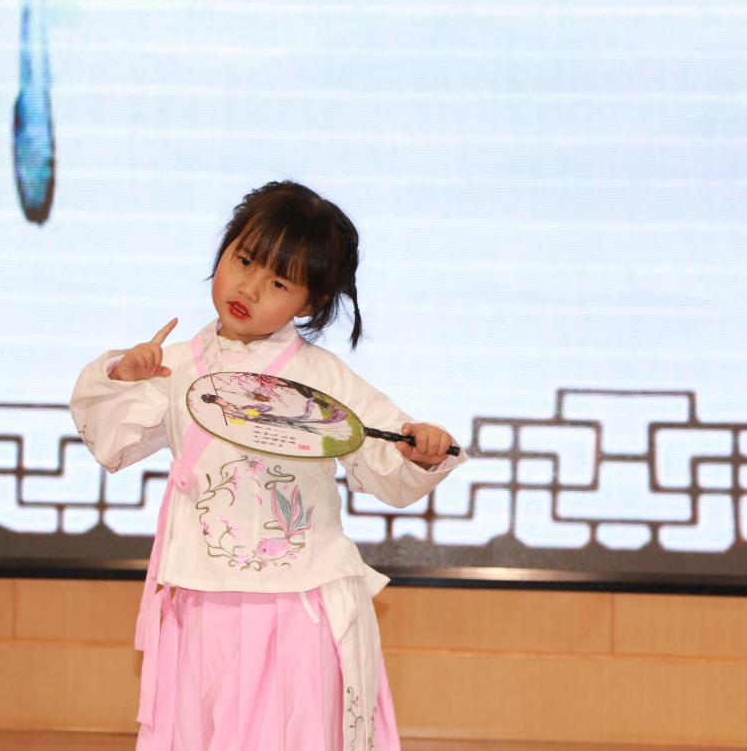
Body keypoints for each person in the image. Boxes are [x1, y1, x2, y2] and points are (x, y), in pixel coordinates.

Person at [70, 180, 466, 751]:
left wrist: (422, 448)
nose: (250, 288)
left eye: (279, 283)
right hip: (200, 598)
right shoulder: (175, 366)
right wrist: (120, 378)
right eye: (244, 260)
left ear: (309, 303)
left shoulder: (324, 378)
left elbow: (385, 455)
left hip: (299, 602)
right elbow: (113, 442)